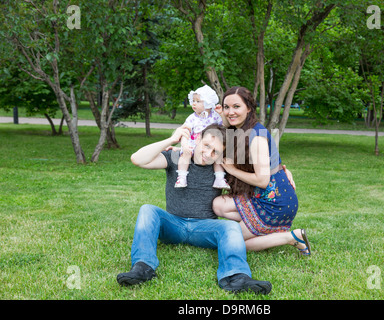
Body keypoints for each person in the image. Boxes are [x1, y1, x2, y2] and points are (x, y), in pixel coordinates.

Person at [116, 124, 272, 294]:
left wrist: (286, 173)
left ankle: (236, 276)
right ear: (197, 139)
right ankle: (142, 268)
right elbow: (137, 159)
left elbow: (259, 173)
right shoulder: (176, 157)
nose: (208, 154)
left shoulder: (221, 169)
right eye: (206, 146)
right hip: (174, 224)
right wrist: (171, 140)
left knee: (230, 226)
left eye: (215, 152)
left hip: (204, 229)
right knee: (148, 209)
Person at [213, 86, 311, 256]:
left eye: (237, 107)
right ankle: (261, 227)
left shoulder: (256, 137)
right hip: (260, 198)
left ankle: (291, 237)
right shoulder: (240, 129)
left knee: (230, 240)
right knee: (218, 205)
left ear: (249, 108)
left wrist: (232, 170)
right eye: (227, 107)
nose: (230, 112)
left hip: (276, 205)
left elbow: (262, 181)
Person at [175, 85, 229, 190]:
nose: (194, 103)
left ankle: (219, 178)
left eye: (198, 101)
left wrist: (222, 114)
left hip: (210, 146)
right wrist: (184, 145)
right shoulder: (192, 118)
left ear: (208, 103)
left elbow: (225, 125)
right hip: (194, 144)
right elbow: (185, 132)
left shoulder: (215, 116)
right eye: (193, 101)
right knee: (184, 155)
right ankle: (181, 176)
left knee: (219, 157)